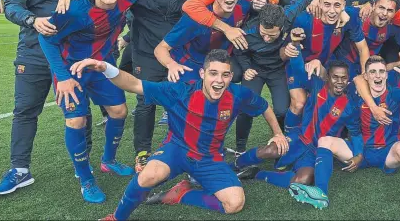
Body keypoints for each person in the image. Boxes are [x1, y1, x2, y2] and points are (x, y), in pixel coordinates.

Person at [73, 50, 286, 220]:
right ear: (203, 74)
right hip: (176, 150)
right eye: (213, 73)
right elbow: (135, 84)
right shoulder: (179, 92)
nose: (219, 80)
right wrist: (105, 68)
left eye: (225, 74)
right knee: (148, 175)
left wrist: (278, 134)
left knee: (234, 204)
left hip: (209, 158)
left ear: (231, 76)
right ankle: (117, 217)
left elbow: (264, 107)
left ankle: (181, 194)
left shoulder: (238, 95)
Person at [56, 0, 204, 173]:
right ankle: (142, 154)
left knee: (188, 99)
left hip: (180, 53)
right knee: (146, 102)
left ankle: (190, 149)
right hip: (146, 52)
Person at [290, 55, 400, 221]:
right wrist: (316, 63)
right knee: (325, 140)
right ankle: (321, 193)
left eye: (381, 71)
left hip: (387, 152)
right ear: (366, 76)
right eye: (372, 72)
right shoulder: (356, 91)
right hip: (360, 150)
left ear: (386, 75)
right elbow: (347, 79)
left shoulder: (394, 93)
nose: (378, 75)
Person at [0, 0, 92, 196]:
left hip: (72, 54)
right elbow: (12, 6)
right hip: (33, 52)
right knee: (25, 111)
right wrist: (33, 20)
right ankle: (19, 170)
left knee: (78, 111)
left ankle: (82, 165)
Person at [38, 0, 135, 203]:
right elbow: (46, 38)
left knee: (119, 110)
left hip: (101, 67)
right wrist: (62, 78)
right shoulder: (73, 9)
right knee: (76, 121)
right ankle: (85, 178)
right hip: (71, 72)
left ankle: (109, 161)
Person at [231, 44, 361, 193]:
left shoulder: (350, 106)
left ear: (348, 80)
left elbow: (356, 133)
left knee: (302, 181)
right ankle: (234, 165)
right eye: (335, 77)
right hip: (300, 136)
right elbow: (299, 72)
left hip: (317, 151)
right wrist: (296, 49)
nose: (339, 82)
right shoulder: (317, 85)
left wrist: (359, 155)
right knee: (270, 150)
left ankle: (257, 173)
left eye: (343, 78)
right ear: (328, 78)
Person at [232, 0, 320, 151]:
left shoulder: (287, 16)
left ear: (281, 27)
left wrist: (320, 1)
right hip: (256, 70)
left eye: (271, 35)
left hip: (278, 70)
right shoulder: (248, 31)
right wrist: (246, 68)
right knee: (245, 107)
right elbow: (239, 51)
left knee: (281, 110)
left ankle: (284, 143)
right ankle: (240, 148)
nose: (266, 38)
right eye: (263, 33)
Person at [282, 0, 370, 133]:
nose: (332, 10)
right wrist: (291, 48)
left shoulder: (350, 17)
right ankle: (289, 139)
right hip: (299, 65)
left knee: (341, 96)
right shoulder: (304, 20)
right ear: (320, 3)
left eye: (337, 5)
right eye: (327, 4)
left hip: (324, 65)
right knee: (299, 103)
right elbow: (284, 51)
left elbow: (363, 48)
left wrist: (365, 75)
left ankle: (340, 135)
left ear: (343, 4)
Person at [154, 0, 250, 86]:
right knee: (190, 98)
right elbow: (160, 49)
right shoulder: (194, 19)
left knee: (237, 75)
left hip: (217, 62)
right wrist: (171, 65)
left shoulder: (244, 7)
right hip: (191, 63)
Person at [97, 0, 139, 127]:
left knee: (147, 72)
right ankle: (108, 113)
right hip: (105, 44)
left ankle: (152, 105)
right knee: (114, 73)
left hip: (148, 40)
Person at [332, 0, 400, 78]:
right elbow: (336, 9)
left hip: (369, 66)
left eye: (390, 10)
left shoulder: (393, 26)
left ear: (395, 13)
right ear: (374, 6)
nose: (384, 13)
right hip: (342, 62)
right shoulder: (358, 15)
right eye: (381, 8)